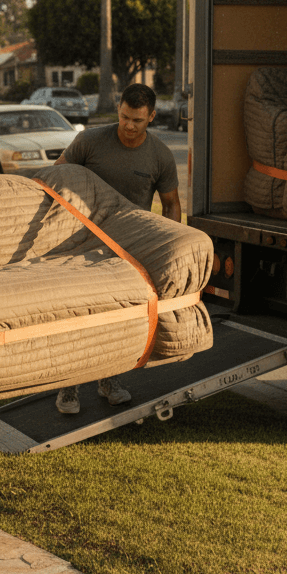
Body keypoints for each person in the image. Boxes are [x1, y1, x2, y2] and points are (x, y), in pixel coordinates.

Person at [52, 82, 182, 415]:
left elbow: (171, 206)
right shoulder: (89, 141)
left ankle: (109, 380)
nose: (128, 125)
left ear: (151, 117)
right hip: (80, 245)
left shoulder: (160, 156)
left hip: (128, 251)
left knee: (116, 318)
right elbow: (54, 177)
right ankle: (69, 388)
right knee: (79, 314)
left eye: (137, 120)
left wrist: (169, 246)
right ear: (119, 109)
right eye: (124, 117)